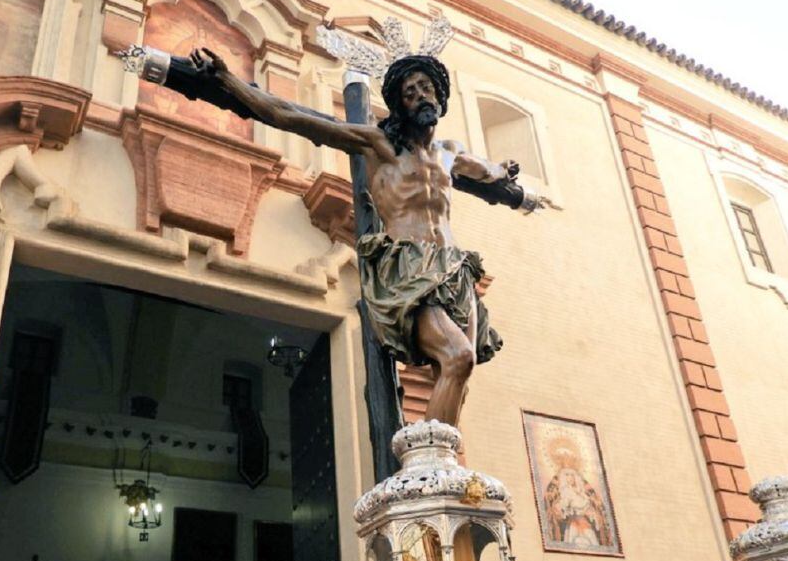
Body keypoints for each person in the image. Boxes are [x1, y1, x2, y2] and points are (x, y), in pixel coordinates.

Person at [185, 43, 542, 429]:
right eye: (410, 92)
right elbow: (286, 114)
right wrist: (227, 80)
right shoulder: (379, 145)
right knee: (459, 357)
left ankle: (446, 473)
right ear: (399, 105)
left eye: (426, 87)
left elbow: (490, 171)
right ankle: (429, 462)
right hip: (409, 263)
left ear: (439, 95)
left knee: (458, 375)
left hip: (455, 269)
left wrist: (508, 175)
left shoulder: (450, 153)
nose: (421, 95)